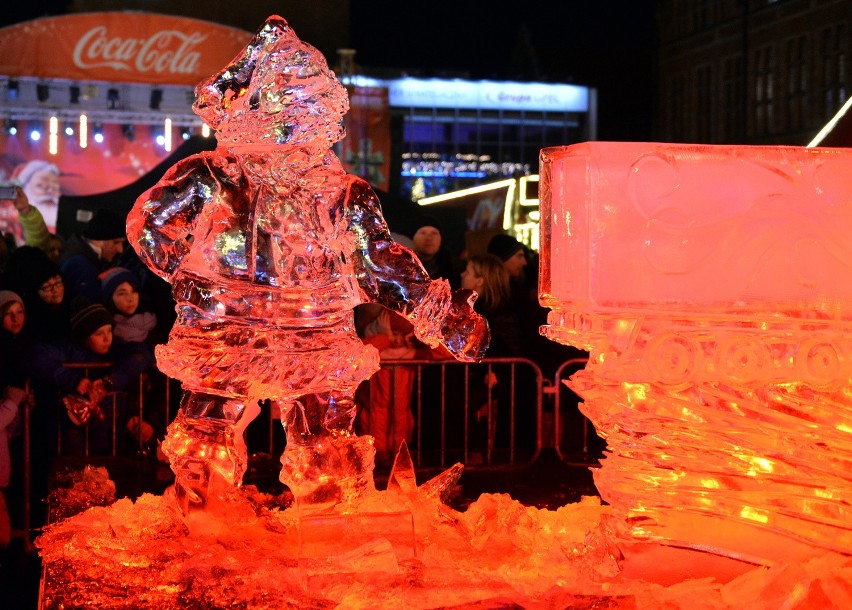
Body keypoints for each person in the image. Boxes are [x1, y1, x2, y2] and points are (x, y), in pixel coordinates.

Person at [27, 298, 154, 456]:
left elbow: (142, 355)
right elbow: (36, 356)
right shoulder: (69, 351)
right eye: (98, 333)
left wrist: (109, 382)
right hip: (74, 435)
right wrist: (73, 380)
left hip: (111, 436)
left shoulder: (114, 350)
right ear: (84, 336)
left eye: (109, 331)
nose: (107, 338)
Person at [0, 291, 34, 548]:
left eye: (19, 312)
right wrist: (13, 402)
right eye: (8, 314)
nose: (15, 319)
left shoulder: (23, 347)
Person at [60, 208, 127, 302]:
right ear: (100, 240)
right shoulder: (79, 266)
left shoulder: (83, 260)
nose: (120, 250)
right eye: (116, 242)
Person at [409, 214, 461, 289]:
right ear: (413, 238)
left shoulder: (453, 270)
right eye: (423, 233)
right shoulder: (403, 269)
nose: (429, 238)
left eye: (434, 233)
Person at [11, 160, 61, 235]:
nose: (50, 190)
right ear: (26, 188)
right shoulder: (13, 220)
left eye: (55, 183)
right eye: (41, 185)